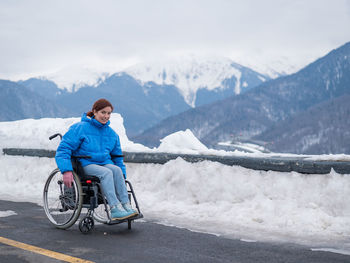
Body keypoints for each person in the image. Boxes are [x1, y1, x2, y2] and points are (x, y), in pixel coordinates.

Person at [55, 98, 138, 220]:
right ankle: (115, 208)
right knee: (106, 173)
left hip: (104, 163)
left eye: (109, 113)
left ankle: (126, 205)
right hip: (85, 164)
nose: (106, 116)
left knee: (117, 170)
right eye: (103, 112)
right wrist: (66, 170)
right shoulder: (80, 128)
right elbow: (63, 150)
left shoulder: (112, 134)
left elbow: (117, 157)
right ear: (94, 112)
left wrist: (122, 175)